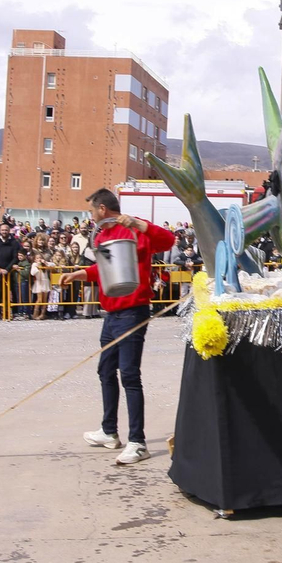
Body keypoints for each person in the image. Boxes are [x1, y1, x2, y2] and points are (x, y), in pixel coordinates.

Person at [60, 189, 176, 466]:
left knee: (130, 376)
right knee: (105, 370)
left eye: (91, 211)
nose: (91, 216)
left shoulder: (134, 229)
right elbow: (104, 268)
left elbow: (168, 240)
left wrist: (138, 224)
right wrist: (81, 273)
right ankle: (109, 431)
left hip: (132, 312)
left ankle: (138, 442)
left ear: (102, 209)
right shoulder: (102, 236)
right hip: (110, 314)